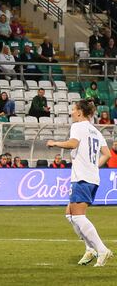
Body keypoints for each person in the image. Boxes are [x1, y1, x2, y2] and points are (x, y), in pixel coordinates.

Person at [46, 100, 112, 266]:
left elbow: (72, 144)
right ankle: (90, 249)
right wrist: (93, 166)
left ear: (80, 112)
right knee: (70, 213)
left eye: (73, 109)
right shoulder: (96, 131)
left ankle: (101, 250)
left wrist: (54, 143)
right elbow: (107, 154)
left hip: (82, 178)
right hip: (92, 177)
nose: (71, 112)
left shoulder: (78, 126)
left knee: (77, 216)